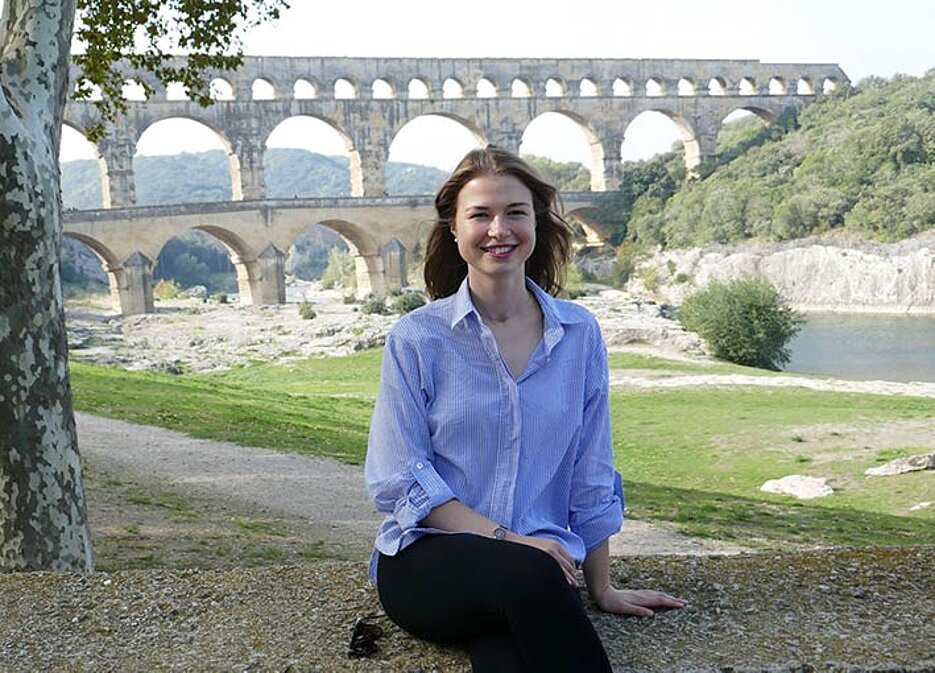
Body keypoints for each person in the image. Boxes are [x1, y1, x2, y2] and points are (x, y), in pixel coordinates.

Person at [364, 146, 687, 672]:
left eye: (515, 213)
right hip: (430, 561)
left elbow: (591, 467)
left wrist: (602, 588)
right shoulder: (418, 338)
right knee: (530, 576)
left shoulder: (579, 333)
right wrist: (511, 542)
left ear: (536, 222)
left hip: (533, 577)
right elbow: (401, 480)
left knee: (507, 648)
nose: (499, 229)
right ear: (453, 229)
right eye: (480, 215)